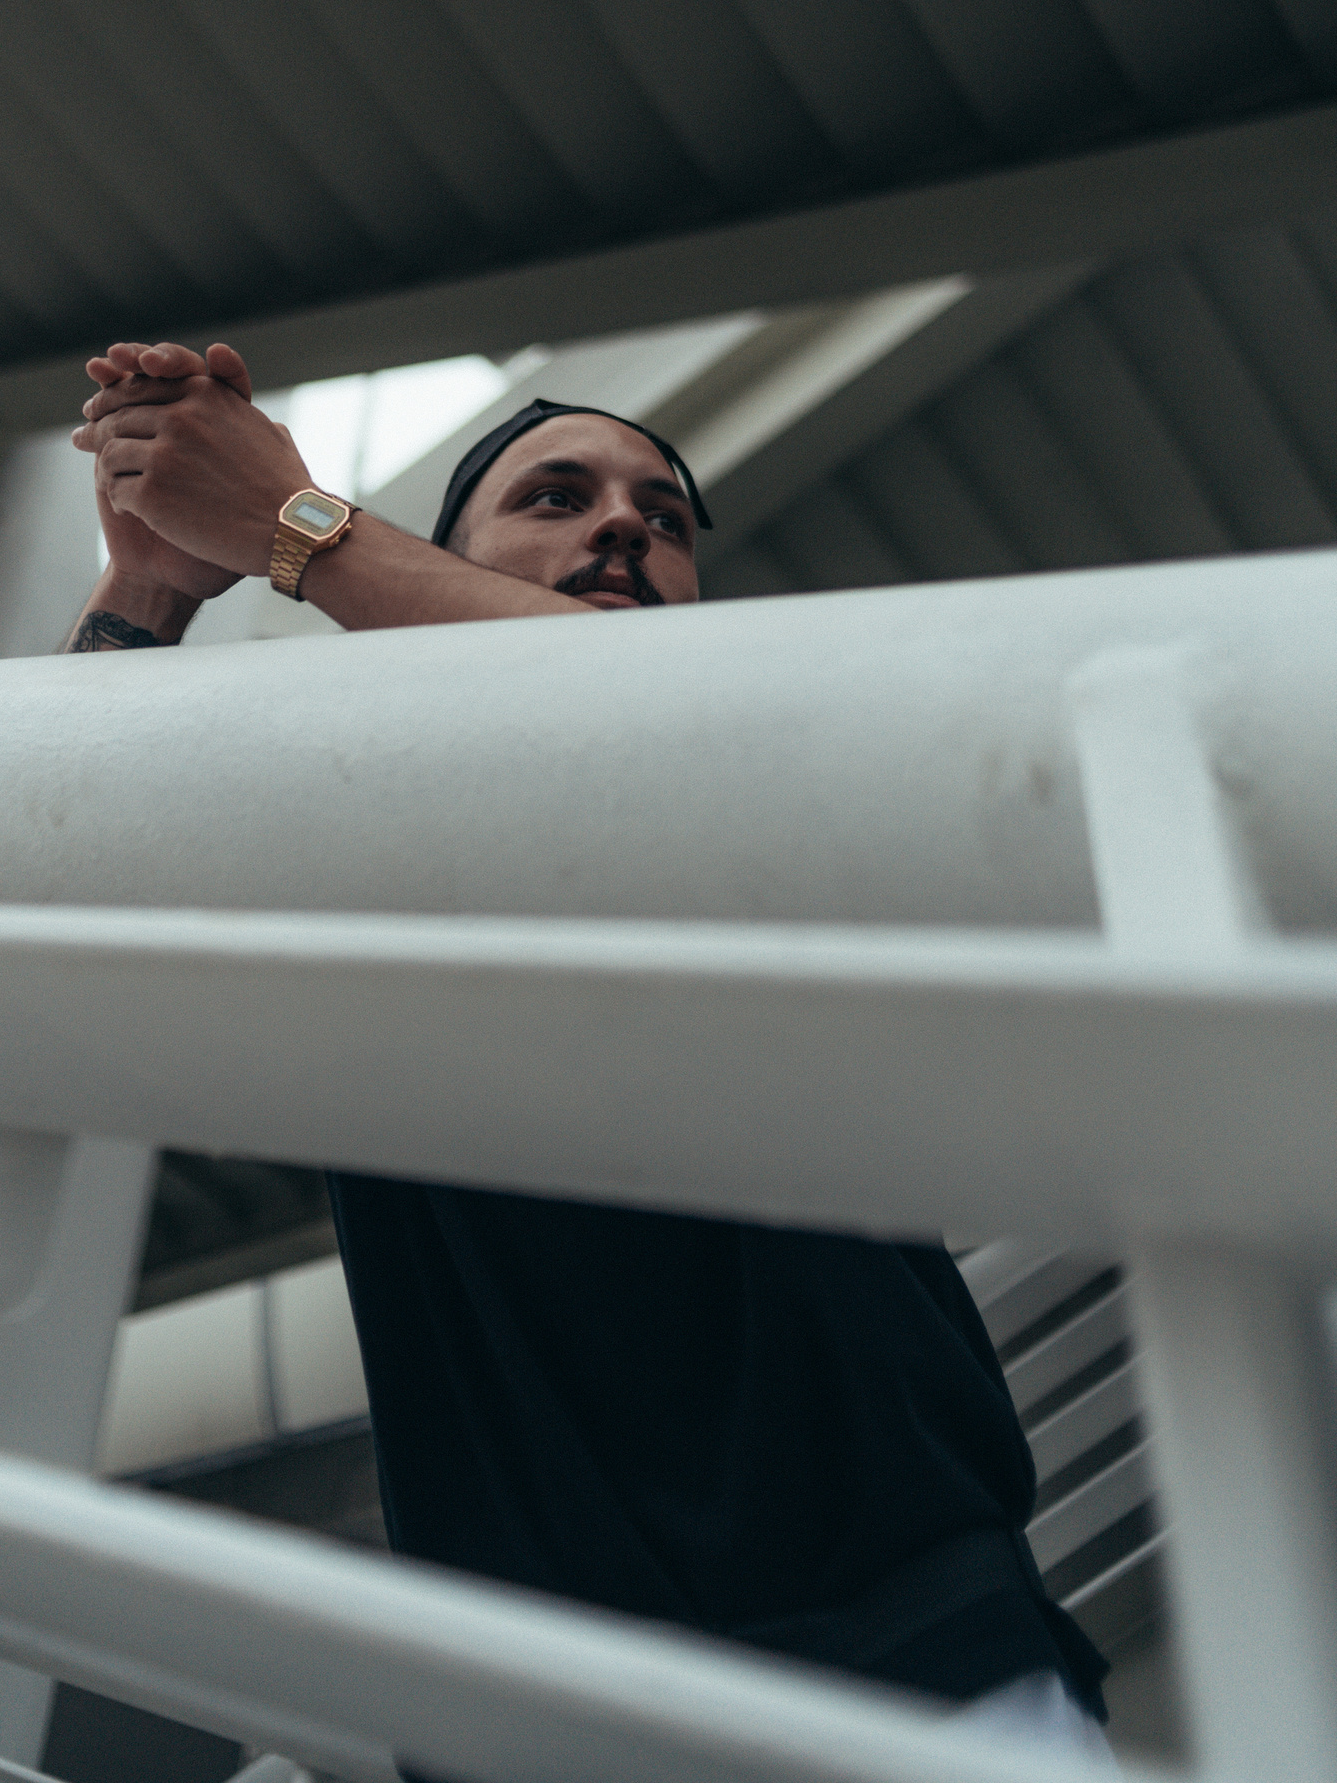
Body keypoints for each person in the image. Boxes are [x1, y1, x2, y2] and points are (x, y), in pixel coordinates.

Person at [68, 338, 1112, 1760]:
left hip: (924, 1670)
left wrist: (291, 526)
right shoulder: (349, 861)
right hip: (532, 1721)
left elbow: (628, 705)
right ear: (448, 569)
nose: (624, 525)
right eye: (555, 499)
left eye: (663, 518)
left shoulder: (768, 750)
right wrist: (144, 590)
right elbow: (27, 902)